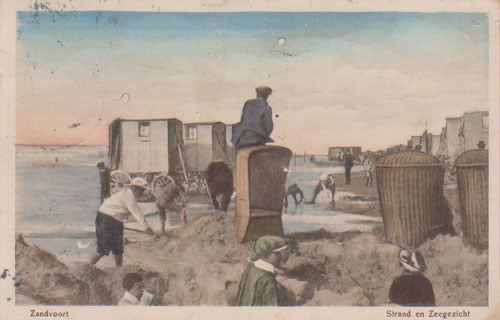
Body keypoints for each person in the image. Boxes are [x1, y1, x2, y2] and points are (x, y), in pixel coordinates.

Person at [90, 177, 153, 267]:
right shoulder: (128, 195)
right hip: (106, 218)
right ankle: (88, 266)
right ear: (135, 189)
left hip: (116, 220)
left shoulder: (129, 194)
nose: (142, 193)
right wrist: (146, 227)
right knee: (102, 250)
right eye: (141, 191)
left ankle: (119, 269)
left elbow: (132, 212)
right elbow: (136, 212)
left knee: (118, 248)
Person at [235, 235, 289, 306]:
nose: (284, 256)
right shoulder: (267, 279)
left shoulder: (251, 268)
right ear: (275, 254)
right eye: (283, 252)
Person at [231, 86, 274, 151]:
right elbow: (269, 126)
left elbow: (244, 120)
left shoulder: (248, 103)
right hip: (257, 139)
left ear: (257, 94)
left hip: (241, 137)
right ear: (267, 96)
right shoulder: (266, 107)